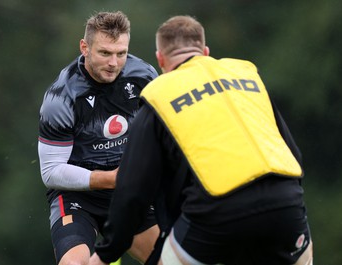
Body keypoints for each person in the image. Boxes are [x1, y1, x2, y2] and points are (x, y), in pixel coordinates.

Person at [90, 15, 313, 265]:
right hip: (286, 204)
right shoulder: (248, 77)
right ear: (205, 52)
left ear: (160, 59)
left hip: (217, 212)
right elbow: (292, 154)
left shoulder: (159, 95)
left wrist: (104, 254)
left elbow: (132, 191)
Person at [37, 11, 160, 265]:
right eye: (105, 53)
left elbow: (162, 135)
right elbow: (50, 172)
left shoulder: (144, 76)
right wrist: (111, 178)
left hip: (128, 191)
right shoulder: (61, 97)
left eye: (121, 53)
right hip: (77, 196)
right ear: (85, 47)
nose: (114, 63)